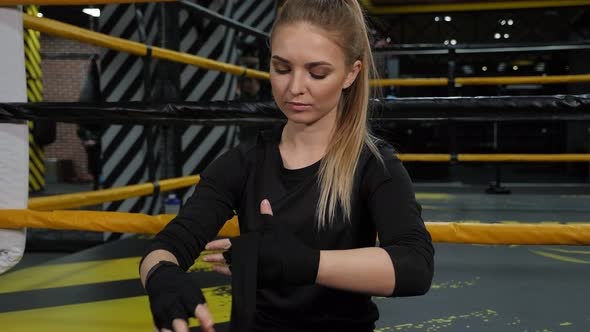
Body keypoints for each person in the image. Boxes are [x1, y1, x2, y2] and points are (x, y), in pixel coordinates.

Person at [139, 1, 434, 332]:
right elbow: (171, 243)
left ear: (351, 73)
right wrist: (161, 276)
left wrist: (300, 262)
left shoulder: (373, 166)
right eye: (281, 69)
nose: (295, 88)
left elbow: (414, 266)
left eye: (317, 73)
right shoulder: (243, 162)